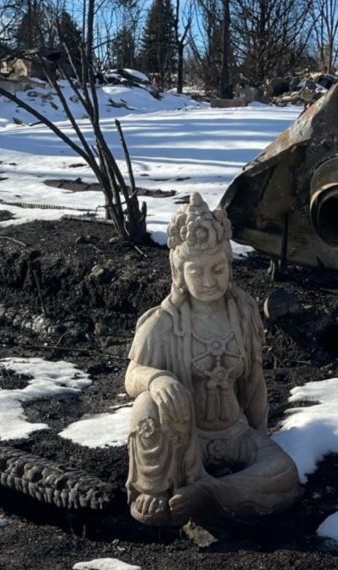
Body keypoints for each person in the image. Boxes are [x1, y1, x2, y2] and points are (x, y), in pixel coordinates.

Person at [125, 193, 303, 525]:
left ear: (229, 266)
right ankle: (154, 489)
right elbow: (132, 375)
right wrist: (156, 378)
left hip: (234, 432)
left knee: (283, 471)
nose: (209, 282)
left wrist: (259, 437)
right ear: (179, 273)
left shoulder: (243, 313)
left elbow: (254, 383)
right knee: (146, 404)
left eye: (218, 269)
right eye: (197, 272)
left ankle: (209, 493)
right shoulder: (162, 323)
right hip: (184, 436)